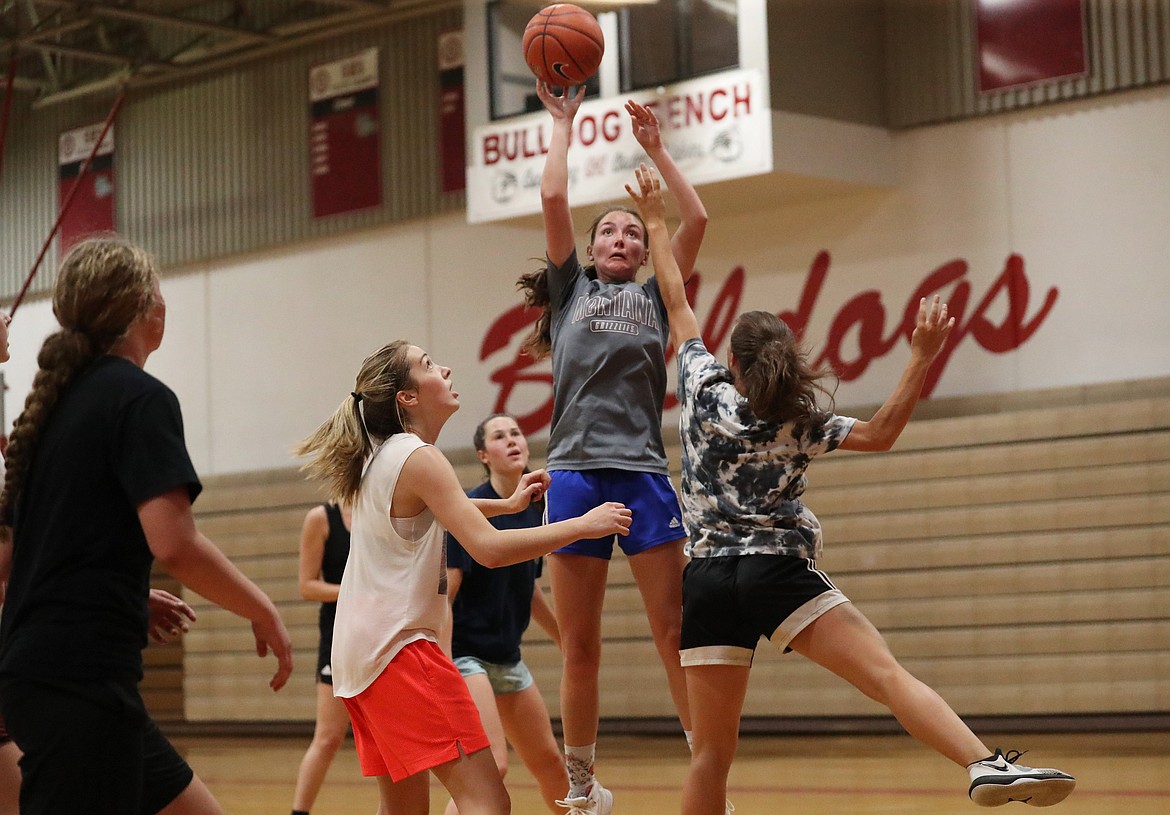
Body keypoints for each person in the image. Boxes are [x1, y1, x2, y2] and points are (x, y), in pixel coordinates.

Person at [624, 164, 1076, 812]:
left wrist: (657, 219)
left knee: (710, 756)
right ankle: (982, 762)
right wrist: (921, 356)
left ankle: (987, 764)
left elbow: (674, 297)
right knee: (887, 676)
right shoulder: (801, 421)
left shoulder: (701, 386)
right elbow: (884, 431)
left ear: (734, 361)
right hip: (773, 571)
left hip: (708, 579)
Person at [0, 236, 294, 815]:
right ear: (147, 309)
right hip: (78, 682)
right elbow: (175, 544)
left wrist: (127, 594)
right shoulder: (138, 398)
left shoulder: (53, 408)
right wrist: (262, 607)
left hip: (54, 672)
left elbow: (37, 555)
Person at [293, 341, 632, 815]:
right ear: (406, 397)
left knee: (405, 810)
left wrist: (509, 505)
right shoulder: (418, 457)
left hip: (357, 660)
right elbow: (489, 550)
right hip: (399, 650)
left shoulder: (386, 456)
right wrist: (583, 525)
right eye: (428, 365)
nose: (445, 368)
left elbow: (436, 506)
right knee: (487, 801)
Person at [516, 83, 708, 815]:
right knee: (580, 644)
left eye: (632, 231)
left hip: (644, 475)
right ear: (592, 251)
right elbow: (554, 199)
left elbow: (697, 217)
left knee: (673, 630)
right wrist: (561, 122)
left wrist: (658, 150)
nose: (623, 239)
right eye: (611, 233)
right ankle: (581, 781)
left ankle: (706, 766)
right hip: (573, 476)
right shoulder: (571, 293)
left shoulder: (659, 292)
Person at [443, 414, 568, 815]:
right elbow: (446, 592)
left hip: (507, 656)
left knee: (552, 763)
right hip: (464, 656)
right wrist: (439, 660)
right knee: (492, 766)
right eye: (499, 436)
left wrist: (565, 639)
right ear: (483, 455)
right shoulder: (472, 509)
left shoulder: (538, 507)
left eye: (516, 433)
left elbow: (527, 587)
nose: (512, 440)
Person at [289, 502, 352, 815]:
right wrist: (354, 590)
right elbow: (307, 585)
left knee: (388, 740)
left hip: (382, 635)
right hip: (339, 637)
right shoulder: (321, 518)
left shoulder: (382, 510)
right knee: (328, 737)